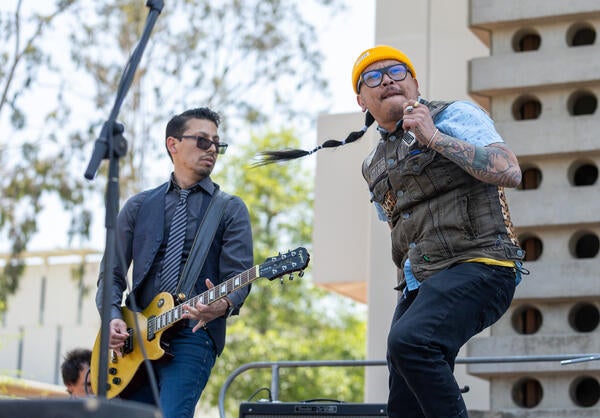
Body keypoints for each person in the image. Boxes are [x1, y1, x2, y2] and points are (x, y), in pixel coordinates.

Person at [257, 45, 526, 417]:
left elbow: (509, 170)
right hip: (421, 284)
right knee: (404, 394)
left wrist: (434, 138)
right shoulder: (372, 163)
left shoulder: (453, 115)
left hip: (480, 263)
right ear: (361, 101)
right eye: (372, 76)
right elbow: (405, 232)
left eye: (397, 72)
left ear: (415, 83)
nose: (386, 80)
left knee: (411, 342)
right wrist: (407, 297)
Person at [95, 107, 254, 418]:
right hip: (135, 336)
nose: (212, 150)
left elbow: (240, 278)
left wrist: (219, 306)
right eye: (203, 141)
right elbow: (111, 275)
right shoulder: (138, 206)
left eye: (217, 144)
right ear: (173, 144)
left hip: (192, 335)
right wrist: (112, 316)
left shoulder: (230, 209)